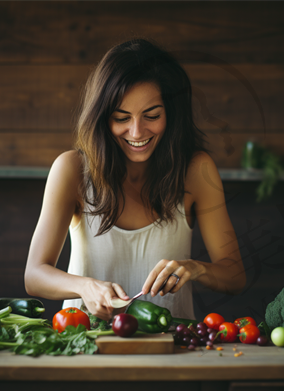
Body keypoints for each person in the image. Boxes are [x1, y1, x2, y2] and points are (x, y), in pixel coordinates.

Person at [24, 38, 246, 322]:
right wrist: (85, 286)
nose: (137, 132)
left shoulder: (196, 170)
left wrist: (196, 268)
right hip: (83, 345)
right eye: (121, 118)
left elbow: (235, 276)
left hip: (170, 350)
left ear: (171, 113)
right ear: (102, 118)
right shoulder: (71, 169)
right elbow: (34, 275)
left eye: (152, 115)